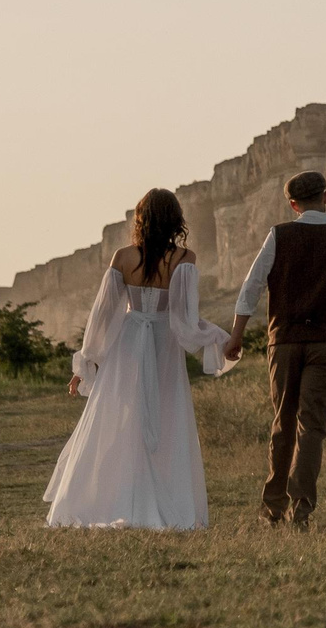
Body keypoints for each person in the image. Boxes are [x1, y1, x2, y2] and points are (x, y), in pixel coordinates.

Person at [44, 186, 233, 529]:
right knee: (164, 418)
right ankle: (161, 499)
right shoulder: (184, 260)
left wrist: (88, 361)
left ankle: (109, 498)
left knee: (121, 417)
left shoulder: (123, 257)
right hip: (164, 345)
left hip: (128, 342)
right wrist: (217, 339)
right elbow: (185, 323)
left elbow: (102, 318)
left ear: (141, 219)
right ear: (176, 219)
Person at [222, 171, 326, 531]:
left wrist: (237, 335)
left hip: (285, 341)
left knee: (283, 424)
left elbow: (252, 286)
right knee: (312, 427)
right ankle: (302, 509)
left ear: (293, 204)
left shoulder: (279, 235)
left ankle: (272, 508)